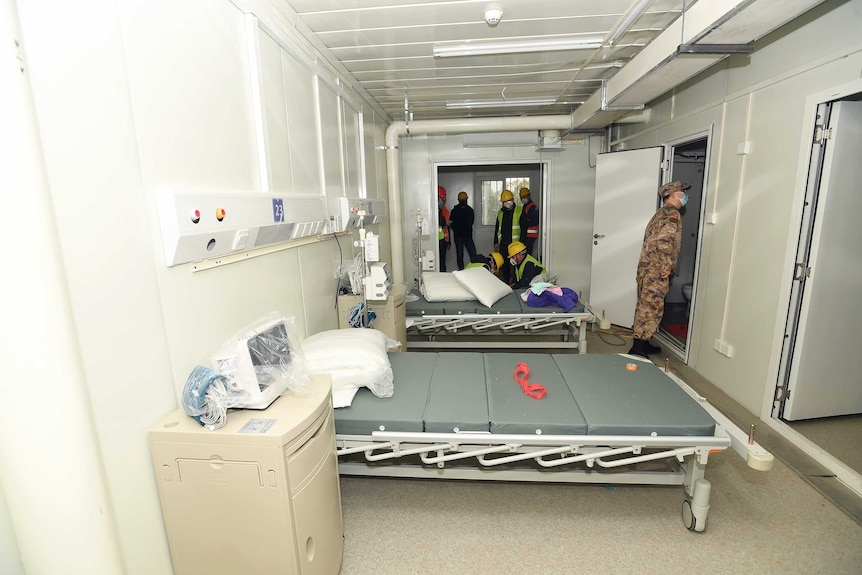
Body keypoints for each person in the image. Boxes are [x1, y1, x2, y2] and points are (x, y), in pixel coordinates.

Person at [628, 181, 688, 358]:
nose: (684, 195)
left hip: (648, 268)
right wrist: (666, 265)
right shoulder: (672, 214)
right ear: (675, 194)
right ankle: (638, 348)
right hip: (656, 270)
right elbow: (664, 241)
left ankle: (643, 343)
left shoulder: (660, 214)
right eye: (682, 192)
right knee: (651, 307)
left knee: (645, 305)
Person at [493, 189, 522, 284]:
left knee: (516, 265)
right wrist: (496, 242)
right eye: (504, 201)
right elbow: (497, 228)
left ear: (513, 200)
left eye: (508, 200)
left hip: (515, 244)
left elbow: (523, 228)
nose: (507, 203)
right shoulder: (500, 213)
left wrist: (522, 242)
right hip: (504, 243)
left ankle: (516, 282)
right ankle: (505, 282)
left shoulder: (519, 211)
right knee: (504, 264)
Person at [448, 191, 477, 270]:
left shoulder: (470, 210)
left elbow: (471, 222)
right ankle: (461, 271)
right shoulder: (454, 210)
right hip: (459, 237)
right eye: (462, 200)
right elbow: (450, 223)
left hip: (467, 236)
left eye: (464, 199)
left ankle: (474, 270)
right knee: (460, 255)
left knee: (473, 254)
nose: (464, 201)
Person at [519, 187, 539, 256]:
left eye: (525, 196)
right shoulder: (525, 206)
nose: (523, 199)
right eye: (522, 197)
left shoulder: (532, 207)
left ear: (529, 196)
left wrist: (525, 222)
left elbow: (535, 221)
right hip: (526, 235)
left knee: (527, 254)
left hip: (530, 236)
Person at [437, 186, 450, 272]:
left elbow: (446, 229)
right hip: (436, 242)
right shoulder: (433, 211)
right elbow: (440, 223)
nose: (442, 201)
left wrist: (448, 241)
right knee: (438, 264)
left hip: (443, 241)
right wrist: (445, 224)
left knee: (442, 263)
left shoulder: (443, 210)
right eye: (442, 199)